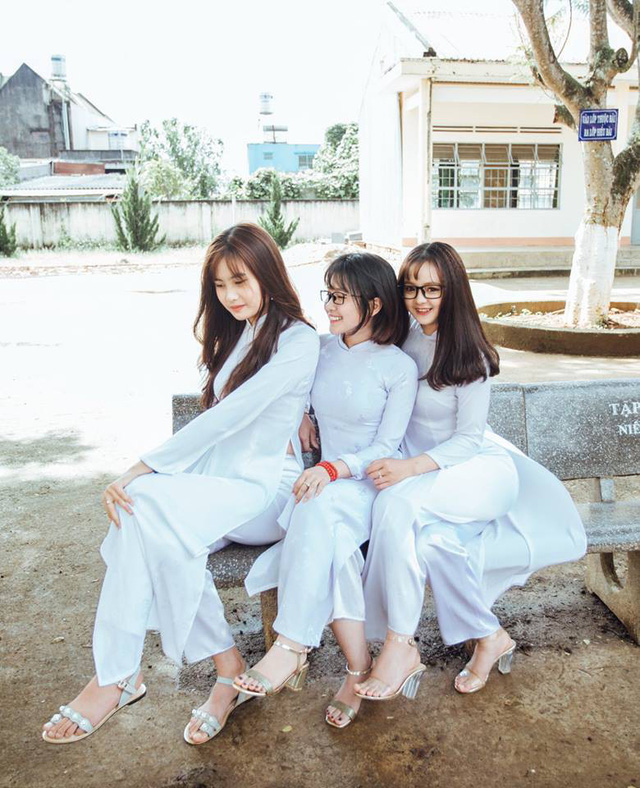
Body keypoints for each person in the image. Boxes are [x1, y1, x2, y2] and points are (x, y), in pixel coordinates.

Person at [42, 223, 320, 745]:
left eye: (240, 280)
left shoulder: (298, 340)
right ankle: (223, 670)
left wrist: (143, 466)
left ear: (267, 274)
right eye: (220, 285)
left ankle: (118, 677)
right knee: (150, 527)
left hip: (264, 492)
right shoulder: (242, 333)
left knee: (141, 501)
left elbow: (233, 415)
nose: (230, 295)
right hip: (216, 487)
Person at [353, 242, 587, 701]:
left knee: (395, 503)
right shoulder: (403, 338)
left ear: (452, 290)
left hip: (477, 473)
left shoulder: (468, 354)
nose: (420, 299)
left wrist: (408, 468)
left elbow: (468, 440)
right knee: (432, 545)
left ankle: (399, 645)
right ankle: (490, 636)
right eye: (411, 288)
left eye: (432, 289)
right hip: (430, 477)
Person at [233, 252, 418, 728]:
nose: (329, 306)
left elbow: (387, 446)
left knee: (315, 504)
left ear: (374, 304)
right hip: (326, 489)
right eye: (328, 295)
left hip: (369, 487)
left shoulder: (398, 368)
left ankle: (292, 643)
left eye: (339, 297)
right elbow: (286, 389)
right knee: (333, 547)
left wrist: (333, 469)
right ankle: (357, 670)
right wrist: (300, 413)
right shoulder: (318, 349)